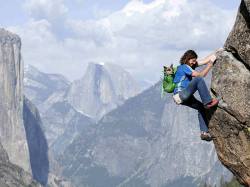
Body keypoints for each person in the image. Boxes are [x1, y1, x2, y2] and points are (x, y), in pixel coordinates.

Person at [173, 49, 220, 141]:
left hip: (183, 98)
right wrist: (210, 65)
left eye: (195, 61)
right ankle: (208, 101)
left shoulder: (190, 66)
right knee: (198, 79)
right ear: (187, 58)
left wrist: (217, 51)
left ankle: (204, 133)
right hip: (181, 94)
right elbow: (200, 76)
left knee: (201, 108)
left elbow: (204, 60)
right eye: (193, 60)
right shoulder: (184, 66)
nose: (194, 63)